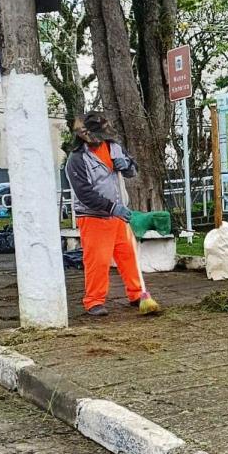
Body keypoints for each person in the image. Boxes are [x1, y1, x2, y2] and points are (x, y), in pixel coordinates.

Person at [65, 111, 143, 317]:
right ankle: (94, 301)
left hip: (118, 217)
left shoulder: (114, 147)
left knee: (129, 256)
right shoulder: (77, 159)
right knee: (98, 261)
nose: (103, 138)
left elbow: (133, 170)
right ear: (85, 135)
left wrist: (128, 167)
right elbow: (85, 194)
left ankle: (137, 294)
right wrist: (112, 208)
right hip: (93, 217)